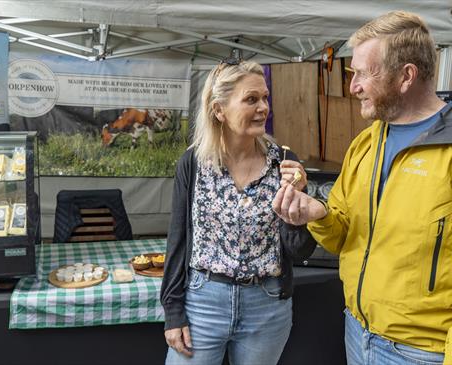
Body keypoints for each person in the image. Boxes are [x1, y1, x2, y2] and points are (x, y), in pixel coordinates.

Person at [273, 10, 452, 365]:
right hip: (357, 333)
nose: (353, 86)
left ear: (406, 76)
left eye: (362, 73)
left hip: (424, 353)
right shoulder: (364, 145)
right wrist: (317, 213)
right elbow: (342, 237)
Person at [160, 59, 316, 365]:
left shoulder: (284, 164)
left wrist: (299, 206)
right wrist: (173, 312)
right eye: (251, 99)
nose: (263, 108)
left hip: (267, 306)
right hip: (204, 302)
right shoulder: (193, 163)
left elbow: (301, 250)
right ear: (219, 110)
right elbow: (176, 241)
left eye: (265, 98)